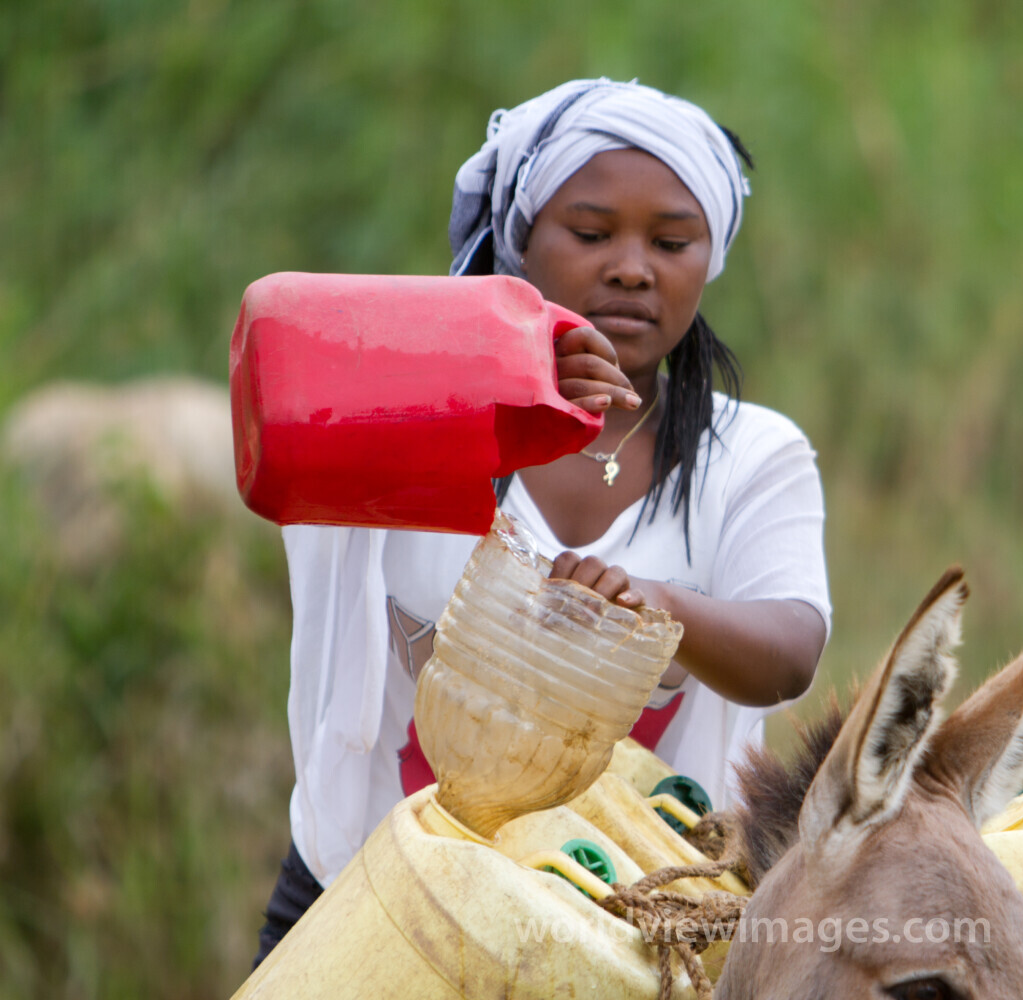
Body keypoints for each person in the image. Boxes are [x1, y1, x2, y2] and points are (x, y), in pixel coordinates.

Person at [254, 78, 831, 964]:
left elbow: (789, 651)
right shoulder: (410, 413)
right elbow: (276, 390)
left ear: (709, 259)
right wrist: (484, 372)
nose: (633, 267)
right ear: (522, 241)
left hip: (623, 938)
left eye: (672, 241)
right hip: (368, 905)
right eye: (592, 234)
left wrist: (652, 605)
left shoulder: (751, 455)